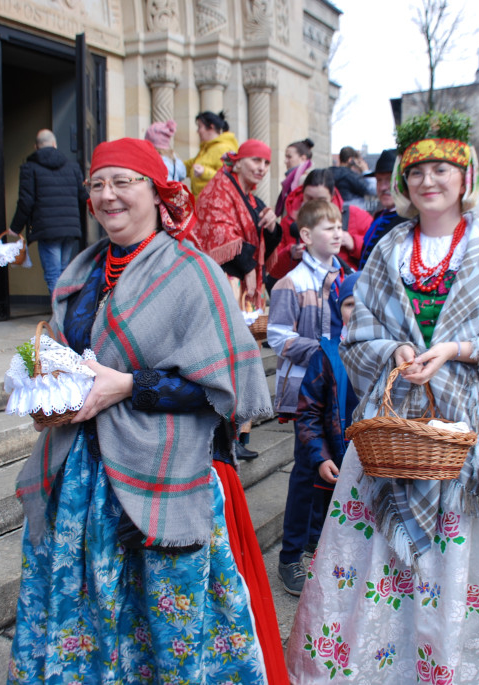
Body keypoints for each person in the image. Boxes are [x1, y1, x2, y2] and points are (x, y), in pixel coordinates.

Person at [286, 111, 479, 683]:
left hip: (476, 439)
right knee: (383, 563)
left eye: (441, 169)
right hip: (398, 437)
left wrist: (459, 349)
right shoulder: (388, 252)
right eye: (416, 172)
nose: (428, 181)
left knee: (467, 560)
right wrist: (396, 354)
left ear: (466, 179)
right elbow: (359, 337)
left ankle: (460, 668)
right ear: (404, 184)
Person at [8, 137, 288, 684]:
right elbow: (75, 356)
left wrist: (130, 386)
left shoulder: (193, 272)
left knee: (163, 618)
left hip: (162, 472)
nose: (108, 196)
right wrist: (35, 376)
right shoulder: (80, 275)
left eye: (123, 182)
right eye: (97, 185)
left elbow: (226, 384)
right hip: (82, 476)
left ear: (158, 192)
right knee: (90, 611)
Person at [267, 199, 351, 596]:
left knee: (333, 469)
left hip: (341, 389)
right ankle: (290, 557)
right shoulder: (292, 283)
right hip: (306, 389)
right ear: (305, 236)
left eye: (339, 227)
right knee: (306, 472)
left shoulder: (348, 276)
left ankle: (321, 545)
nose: (337, 233)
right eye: (328, 228)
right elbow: (278, 336)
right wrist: (321, 351)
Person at [192, 139, 281, 459]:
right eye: (256, 160)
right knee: (226, 359)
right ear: (239, 161)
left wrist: (272, 226)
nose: (261, 167)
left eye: (266, 163)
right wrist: (248, 268)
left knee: (246, 358)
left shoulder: (252, 199)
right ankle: (222, 435)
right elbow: (218, 234)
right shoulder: (219, 189)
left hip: (244, 290)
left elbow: (267, 241)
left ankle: (240, 436)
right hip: (223, 287)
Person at [293, 270, 361, 570]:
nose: (357, 311)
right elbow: (308, 413)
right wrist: (320, 457)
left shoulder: (393, 353)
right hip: (337, 460)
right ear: (337, 308)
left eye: (365, 303)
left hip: (377, 462)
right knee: (329, 531)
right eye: (348, 304)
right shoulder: (327, 355)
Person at [8, 129, 88, 294]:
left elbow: (26, 200)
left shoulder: (29, 168)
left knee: (53, 274)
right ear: (54, 144)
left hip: (47, 228)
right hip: (70, 227)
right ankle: (64, 314)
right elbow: (83, 196)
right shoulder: (73, 167)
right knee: (64, 272)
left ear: (36, 147)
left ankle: (60, 318)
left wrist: (15, 227)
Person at [268, 169, 371, 281]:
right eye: (309, 198)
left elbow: (377, 256)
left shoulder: (356, 216)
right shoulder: (289, 222)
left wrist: (354, 243)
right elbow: (273, 269)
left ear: (332, 196)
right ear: (302, 193)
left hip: (343, 292)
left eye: (321, 200)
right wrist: (290, 254)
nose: (314, 205)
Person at [358, 149, 403, 269]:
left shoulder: (408, 221)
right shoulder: (380, 216)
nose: (383, 187)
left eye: (389, 179)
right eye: (379, 180)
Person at [185, 111, 239, 196]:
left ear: (211, 127)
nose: (198, 131)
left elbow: (230, 179)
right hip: (203, 203)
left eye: (200, 127)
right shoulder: (207, 149)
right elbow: (189, 165)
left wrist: (204, 172)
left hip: (215, 204)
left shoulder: (224, 149)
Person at [275, 138, 315, 216]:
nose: (285, 161)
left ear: (303, 159)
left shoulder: (305, 179)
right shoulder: (291, 180)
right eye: (286, 157)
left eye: (289, 157)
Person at [330, 146, 374, 210]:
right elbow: (371, 191)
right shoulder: (351, 175)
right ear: (350, 160)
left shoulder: (329, 173)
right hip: (352, 210)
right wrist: (365, 170)